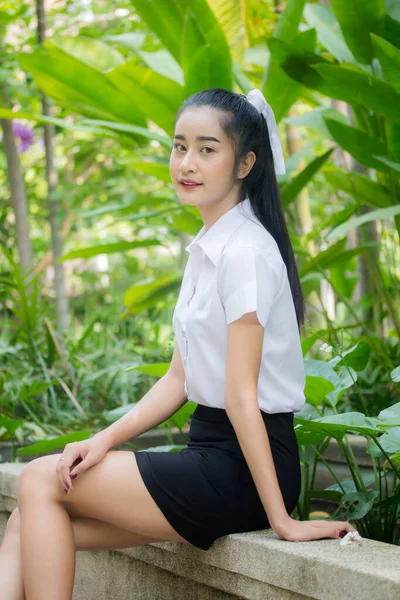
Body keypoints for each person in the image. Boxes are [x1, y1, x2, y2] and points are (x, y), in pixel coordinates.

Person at [0, 87, 356, 599]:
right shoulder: (208, 250)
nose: (187, 163)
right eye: (179, 146)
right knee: (26, 524)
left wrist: (281, 518)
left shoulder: (246, 253)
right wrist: (101, 441)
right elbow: (178, 379)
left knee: (37, 482)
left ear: (245, 163)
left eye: (207, 149)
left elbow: (239, 396)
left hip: (242, 470)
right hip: (210, 457)